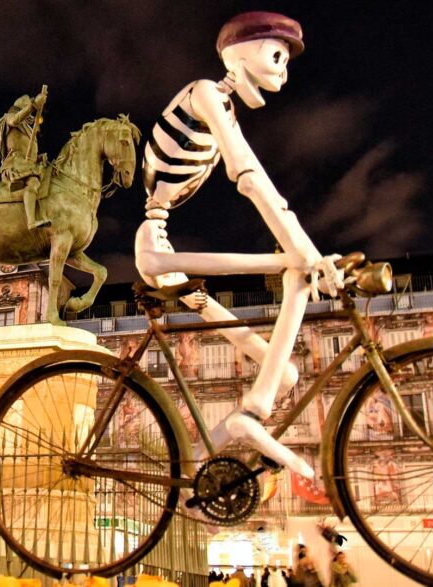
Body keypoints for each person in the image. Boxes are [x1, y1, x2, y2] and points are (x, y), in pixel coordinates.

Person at [134, 11, 342, 480]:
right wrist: (305, 250)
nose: (283, 73)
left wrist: (306, 250)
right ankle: (248, 418)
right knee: (296, 267)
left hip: (167, 255)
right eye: (277, 57)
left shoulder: (222, 106)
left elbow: (252, 173)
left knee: (285, 373)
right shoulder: (206, 93)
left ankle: (200, 465)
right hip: (154, 246)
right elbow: (247, 174)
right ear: (241, 53)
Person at [0, 88, 50, 229]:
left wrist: (38, 159)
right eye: (27, 109)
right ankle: (31, 222)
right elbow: (15, 120)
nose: (30, 116)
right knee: (33, 183)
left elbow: (28, 152)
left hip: (28, 164)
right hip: (15, 164)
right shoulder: (10, 117)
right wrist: (34, 105)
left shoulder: (28, 129)